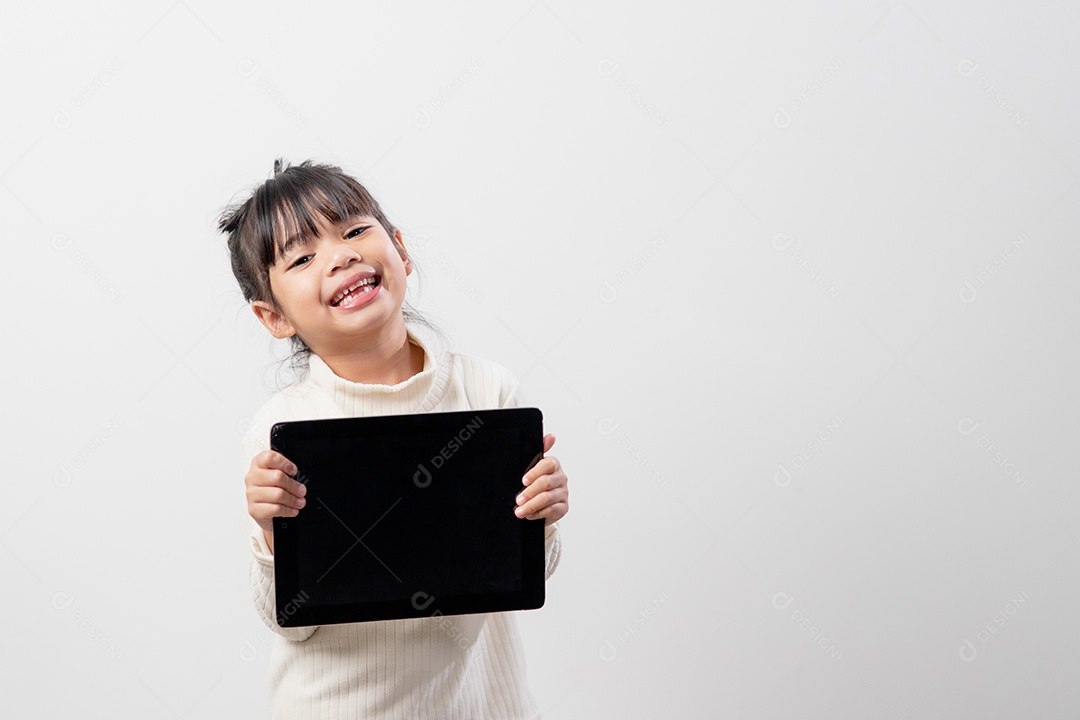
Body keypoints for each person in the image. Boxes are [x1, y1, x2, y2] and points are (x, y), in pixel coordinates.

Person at [219, 159, 569, 719]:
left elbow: (522, 575)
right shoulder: (281, 429)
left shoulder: (486, 389)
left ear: (401, 252)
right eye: (303, 258)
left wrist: (541, 520)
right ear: (274, 316)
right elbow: (288, 621)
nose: (341, 256)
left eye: (355, 230)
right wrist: (269, 533)